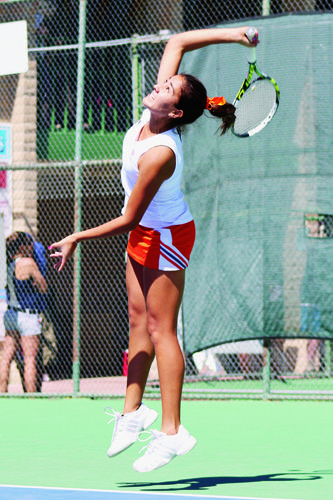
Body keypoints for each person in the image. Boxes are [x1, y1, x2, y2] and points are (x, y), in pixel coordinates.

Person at [49, 26, 257, 472]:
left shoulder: (160, 152)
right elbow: (177, 43)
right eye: (164, 81)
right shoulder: (149, 120)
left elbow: (128, 218)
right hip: (145, 233)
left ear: (176, 111)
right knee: (138, 322)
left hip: (167, 235)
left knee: (163, 330)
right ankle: (133, 412)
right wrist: (236, 36)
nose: (159, 84)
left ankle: (172, 432)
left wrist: (76, 238)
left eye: (167, 88)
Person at [0, 232, 47, 393]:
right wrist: (35, 284)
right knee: (30, 359)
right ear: (22, 247)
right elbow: (43, 286)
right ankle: (32, 397)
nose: (32, 249)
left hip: (11, 313)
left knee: (6, 357)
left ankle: (2, 393)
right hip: (27, 315)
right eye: (29, 246)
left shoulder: (8, 263)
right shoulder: (28, 262)